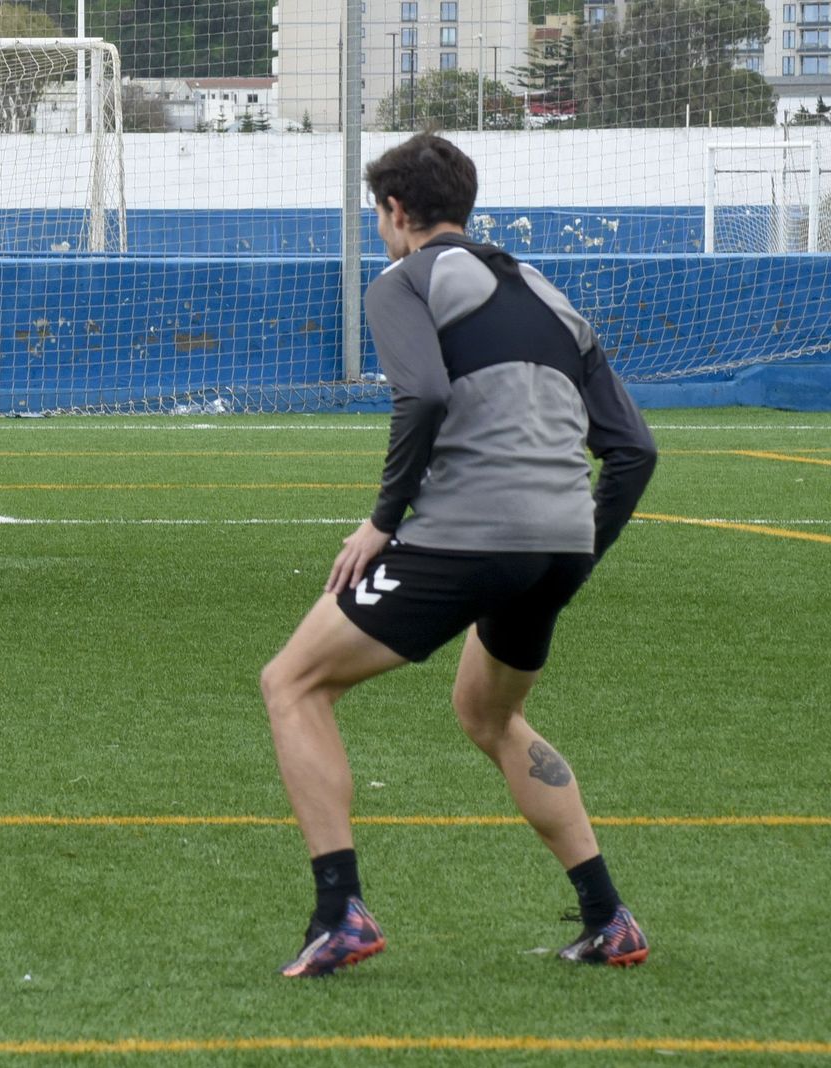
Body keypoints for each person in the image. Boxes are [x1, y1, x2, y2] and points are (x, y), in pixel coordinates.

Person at [259, 133, 657, 978]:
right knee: (490, 715)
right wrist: (577, 549)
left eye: (380, 216)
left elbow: (427, 392)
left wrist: (381, 521)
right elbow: (634, 452)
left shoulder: (403, 280)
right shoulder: (552, 295)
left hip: (468, 535)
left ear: (398, 212)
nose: (381, 230)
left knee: (291, 682)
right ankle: (608, 916)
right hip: (557, 540)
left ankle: (340, 913)